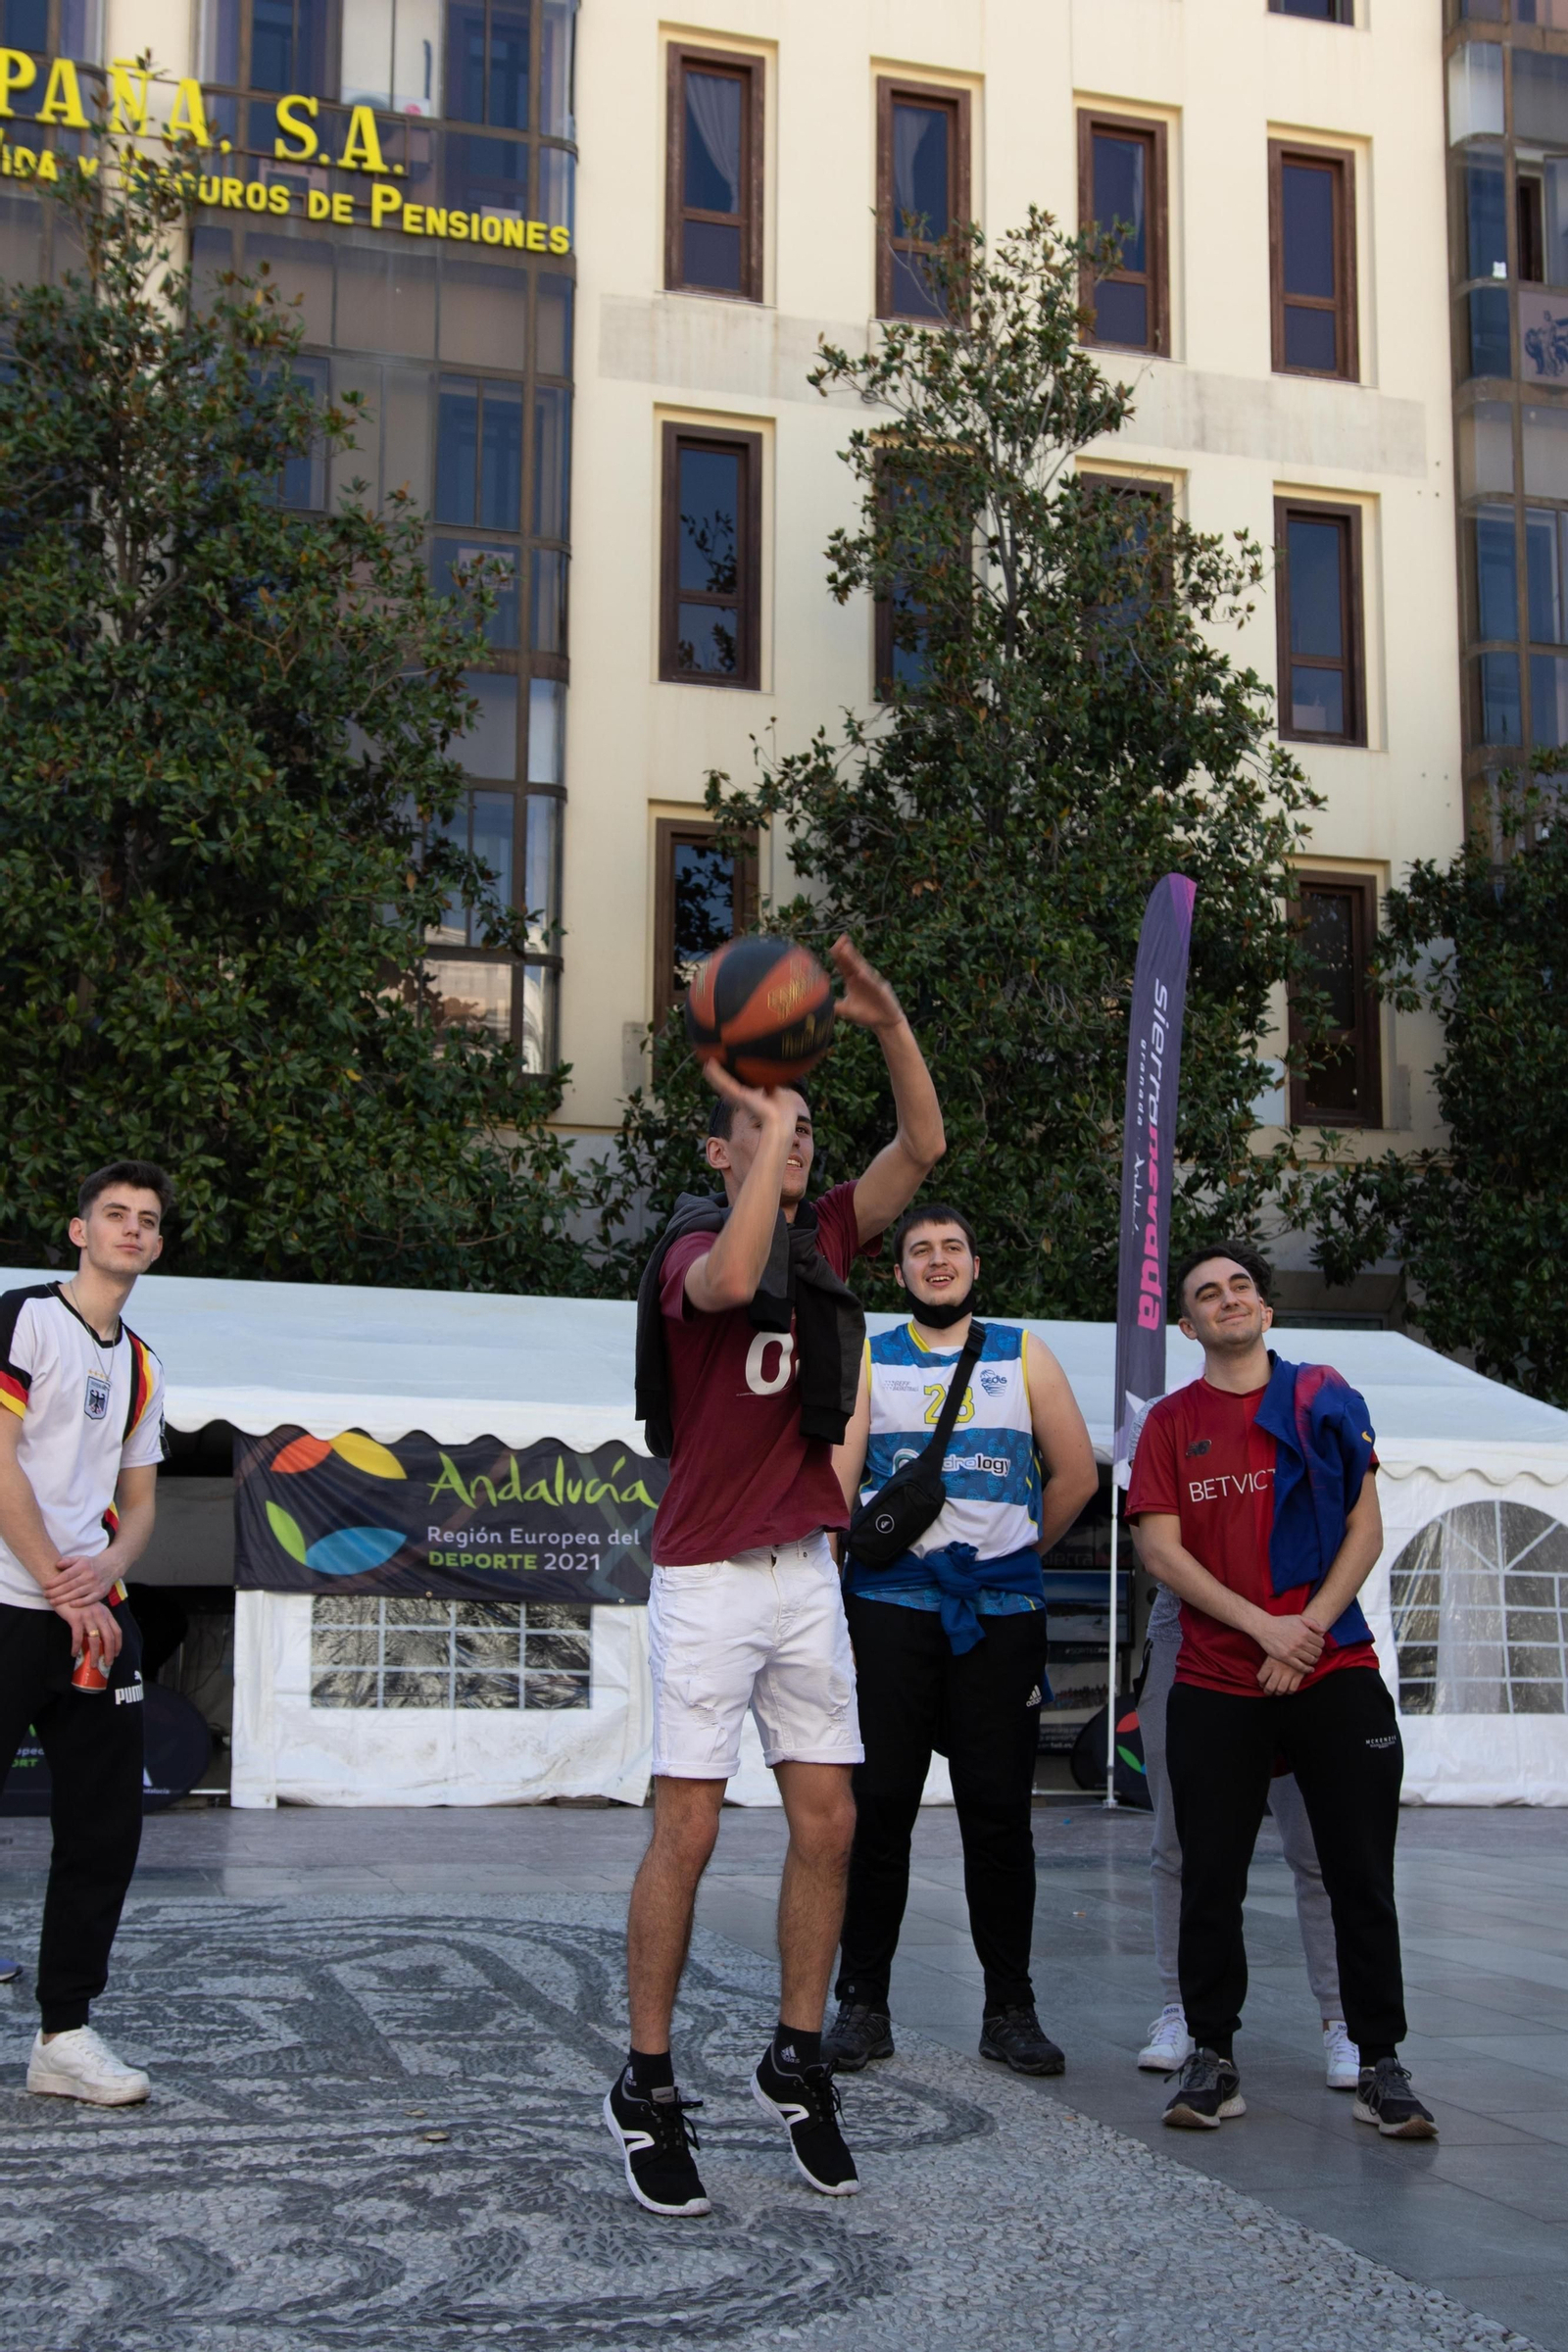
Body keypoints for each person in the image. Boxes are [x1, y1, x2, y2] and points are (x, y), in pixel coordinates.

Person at [606, 937, 945, 2219]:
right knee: (686, 1828)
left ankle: (796, 2056)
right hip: (705, 1579)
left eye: (801, 1132)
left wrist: (890, 1022)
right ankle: (645, 2080)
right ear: (720, 1148)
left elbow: (924, 1148)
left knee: (832, 1823)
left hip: (804, 1573)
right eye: (763, 1127)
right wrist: (771, 1116)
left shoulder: (831, 1238)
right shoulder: (692, 1252)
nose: (797, 1143)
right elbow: (740, 1276)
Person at [1127, 1242, 1437, 2140]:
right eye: (1207, 1294)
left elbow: (1364, 1528)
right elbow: (1159, 1550)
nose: (1228, 1300)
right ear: (1187, 1325)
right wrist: (1266, 1630)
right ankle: (1212, 2056)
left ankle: (1381, 2062)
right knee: (1207, 1875)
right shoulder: (1169, 1423)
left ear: (1264, 1308)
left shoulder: (1325, 1396)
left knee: (1356, 1873)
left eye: (1241, 1287)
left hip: (1332, 1666)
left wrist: (1304, 1635)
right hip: (1221, 1673)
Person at [823, 1204, 1097, 2078]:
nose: (937, 1263)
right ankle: (862, 2007)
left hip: (999, 1618)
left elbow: (1078, 1473)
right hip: (891, 1613)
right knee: (882, 1812)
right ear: (898, 1272)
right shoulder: (870, 1354)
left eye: (951, 1249)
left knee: (998, 1817)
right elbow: (837, 1494)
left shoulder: (1024, 1353)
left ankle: (1010, 2010)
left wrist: (1012, 1562)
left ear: (975, 1264)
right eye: (918, 1252)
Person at [0, 1160, 172, 2106]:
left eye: (148, 1220)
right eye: (116, 1215)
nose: (133, 1230)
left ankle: (64, 2035)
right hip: (11, 1604)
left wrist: (107, 1576)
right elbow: (2, 1467)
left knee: (102, 1833)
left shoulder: (143, 1360)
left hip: (89, 1617)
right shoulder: (27, 1318)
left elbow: (137, 1504)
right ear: (78, 1230)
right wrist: (65, 1592)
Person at [1138, 1585, 1361, 2091]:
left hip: (1303, 1622)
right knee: (1177, 1840)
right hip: (1190, 1627)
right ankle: (1182, 2011)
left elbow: (1352, 1532)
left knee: (1318, 1846)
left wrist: (1303, 1628)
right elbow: (1158, 1544)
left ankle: (1340, 2018)